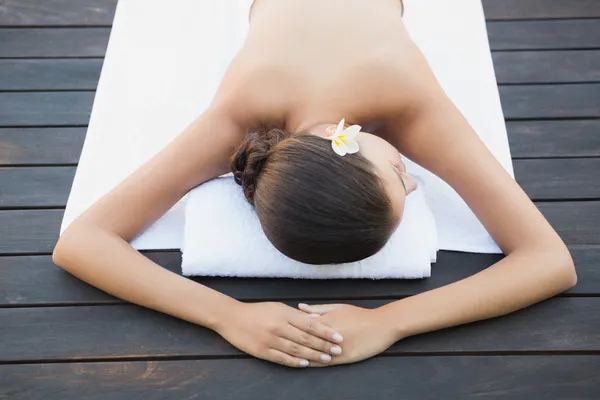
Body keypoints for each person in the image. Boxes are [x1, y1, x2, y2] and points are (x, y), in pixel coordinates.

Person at [52, 0, 577, 368]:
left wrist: (394, 321)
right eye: (402, 176)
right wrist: (223, 314)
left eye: (398, 176)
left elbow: (552, 263)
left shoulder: (404, 99)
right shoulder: (247, 114)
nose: (414, 180)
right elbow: (77, 245)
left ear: (337, 138)